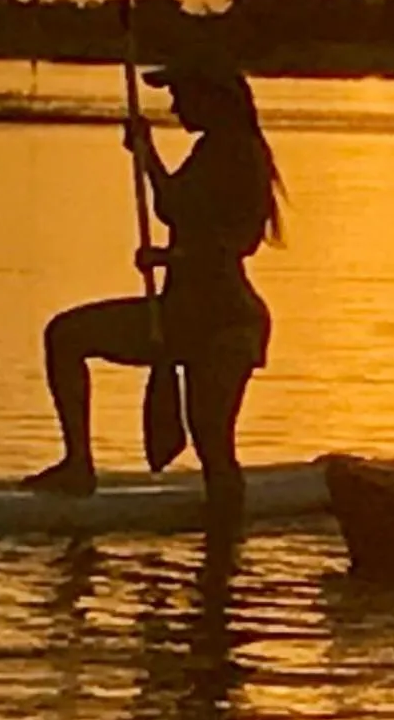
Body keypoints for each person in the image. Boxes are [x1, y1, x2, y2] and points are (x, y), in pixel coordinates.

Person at [25, 63, 282, 504]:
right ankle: (78, 465)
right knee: (66, 335)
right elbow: (173, 206)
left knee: (212, 444)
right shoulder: (210, 149)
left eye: (182, 95)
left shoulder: (242, 154)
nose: (176, 107)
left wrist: (171, 257)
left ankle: (227, 523)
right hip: (182, 312)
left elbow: (241, 242)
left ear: (215, 100)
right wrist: (145, 153)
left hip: (225, 323)